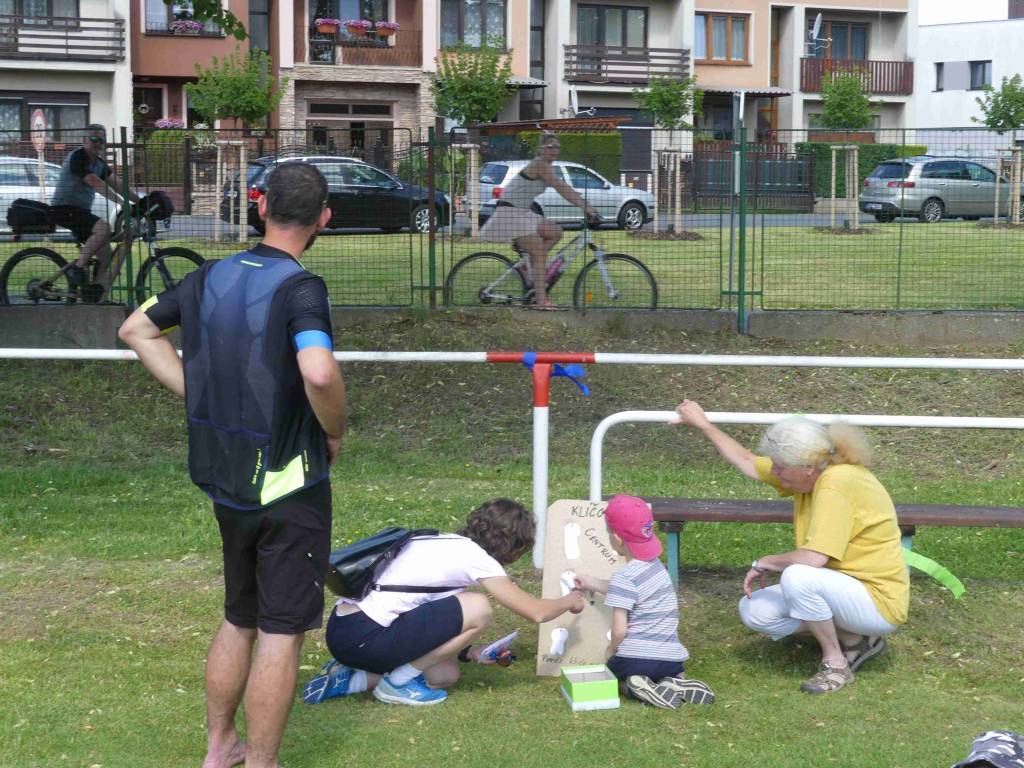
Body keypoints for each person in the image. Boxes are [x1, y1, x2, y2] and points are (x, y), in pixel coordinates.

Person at [118, 162, 346, 768]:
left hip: (226, 480)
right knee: (280, 632)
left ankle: (220, 747)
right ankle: (260, 762)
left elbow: (136, 329)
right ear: (324, 218)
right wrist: (334, 429)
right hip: (289, 484)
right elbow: (319, 371)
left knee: (239, 617)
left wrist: (200, 395)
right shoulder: (302, 288)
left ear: (261, 207)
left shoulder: (210, 274)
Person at [674, 400, 909, 695]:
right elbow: (748, 462)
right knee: (754, 610)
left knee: (798, 576)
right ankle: (856, 640)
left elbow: (813, 558)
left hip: (879, 603)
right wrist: (704, 425)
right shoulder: (815, 467)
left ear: (807, 468)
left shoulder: (837, 483)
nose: (774, 471)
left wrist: (764, 562)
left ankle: (835, 664)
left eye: (780, 467)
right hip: (841, 589)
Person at [301, 498, 585, 706]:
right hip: (366, 636)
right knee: (478, 607)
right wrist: (570, 600)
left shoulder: (437, 540)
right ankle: (396, 684)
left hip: (344, 630)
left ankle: (350, 678)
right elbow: (535, 612)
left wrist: (471, 651)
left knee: (445, 674)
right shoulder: (477, 559)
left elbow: (428, 618)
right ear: (513, 545)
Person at [574, 494, 715, 709]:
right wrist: (591, 582)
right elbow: (626, 591)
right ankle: (674, 682)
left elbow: (619, 630)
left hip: (635, 658)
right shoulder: (657, 568)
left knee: (613, 677)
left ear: (617, 539)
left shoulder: (624, 577)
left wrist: (611, 651)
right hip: (671, 659)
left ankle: (636, 688)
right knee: (662, 671)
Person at [477, 133, 599, 310]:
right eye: (550, 146)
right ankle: (541, 301)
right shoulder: (539, 164)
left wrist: (585, 204)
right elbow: (560, 187)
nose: (554, 150)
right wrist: (586, 207)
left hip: (523, 211)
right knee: (540, 253)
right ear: (541, 148)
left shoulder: (547, 166)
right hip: (511, 212)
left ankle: (528, 268)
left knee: (555, 232)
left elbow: (564, 188)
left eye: (557, 147)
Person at [50, 124, 139, 293]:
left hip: (80, 212)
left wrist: (141, 202)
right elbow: (94, 182)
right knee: (103, 228)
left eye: (101, 140)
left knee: (106, 255)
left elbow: (119, 185)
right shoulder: (78, 157)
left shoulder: (99, 164)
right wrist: (122, 203)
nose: (97, 143)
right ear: (84, 140)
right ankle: (77, 269)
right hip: (63, 209)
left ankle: (93, 294)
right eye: (93, 139)